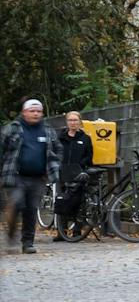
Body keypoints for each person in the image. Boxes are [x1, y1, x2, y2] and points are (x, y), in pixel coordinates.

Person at [2, 99, 60, 254]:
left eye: (38, 111)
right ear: (24, 112)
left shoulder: (48, 130)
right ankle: (11, 234)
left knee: (31, 210)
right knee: (16, 204)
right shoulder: (12, 129)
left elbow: (57, 149)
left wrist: (53, 168)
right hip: (15, 176)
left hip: (38, 178)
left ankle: (28, 243)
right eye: (32, 111)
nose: (35, 114)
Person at [54, 112, 94, 240]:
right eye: (70, 120)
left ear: (80, 122)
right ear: (66, 122)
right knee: (63, 201)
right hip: (63, 172)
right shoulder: (60, 137)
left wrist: (81, 167)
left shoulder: (85, 138)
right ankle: (62, 232)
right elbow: (54, 154)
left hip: (78, 173)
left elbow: (89, 157)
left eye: (75, 120)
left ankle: (77, 231)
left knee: (79, 202)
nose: (73, 123)